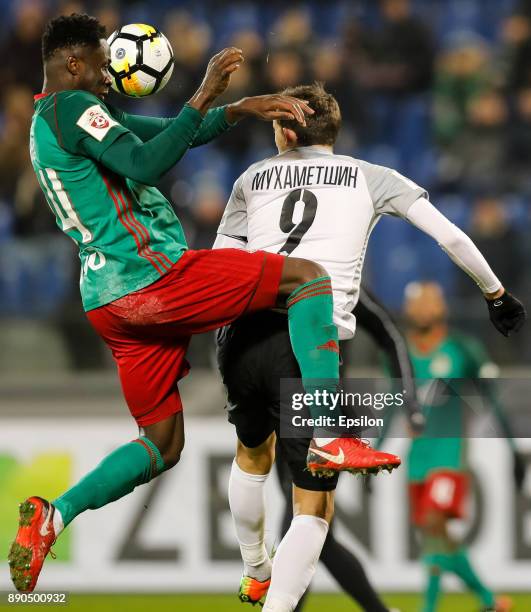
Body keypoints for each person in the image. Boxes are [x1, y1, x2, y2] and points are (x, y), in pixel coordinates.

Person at [8, 14, 391, 593]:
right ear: (71, 65)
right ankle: (324, 432)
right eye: (99, 64)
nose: (110, 75)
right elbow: (146, 162)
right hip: (150, 280)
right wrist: (205, 92)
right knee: (309, 278)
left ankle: (53, 515)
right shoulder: (72, 109)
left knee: (161, 443)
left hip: (108, 301)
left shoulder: (56, 121)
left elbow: (165, 133)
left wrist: (239, 110)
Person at [214, 83, 526, 611]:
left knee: (250, 454)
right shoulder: (370, 176)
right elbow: (449, 236)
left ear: (286, 130)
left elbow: (222, 264)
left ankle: (254, 568)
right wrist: (495, 293)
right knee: (313, 506)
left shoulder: (250, 178)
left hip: (240, 337)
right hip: (308, 347)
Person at [275, 286, 421, 612]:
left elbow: (390, 335)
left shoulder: (338, 282)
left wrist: (409, 399)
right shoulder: (278, 277)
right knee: (315, 535)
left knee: (302, 525)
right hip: (282, 419)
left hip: (322, 421)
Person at [379, 282, 522, 612]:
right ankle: (489, 601)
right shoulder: (399, 355)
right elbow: (390, 407)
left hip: (450, 455)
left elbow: (492, 400)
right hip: (419, 457)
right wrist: (377, 451)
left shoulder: (463, 348)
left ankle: (427, 608)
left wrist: (513, 449)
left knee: (433, 523)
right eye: (417, 303)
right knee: (437, 538)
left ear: (441, 308)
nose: (424, 309)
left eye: (431, 302)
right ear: (409, 309)